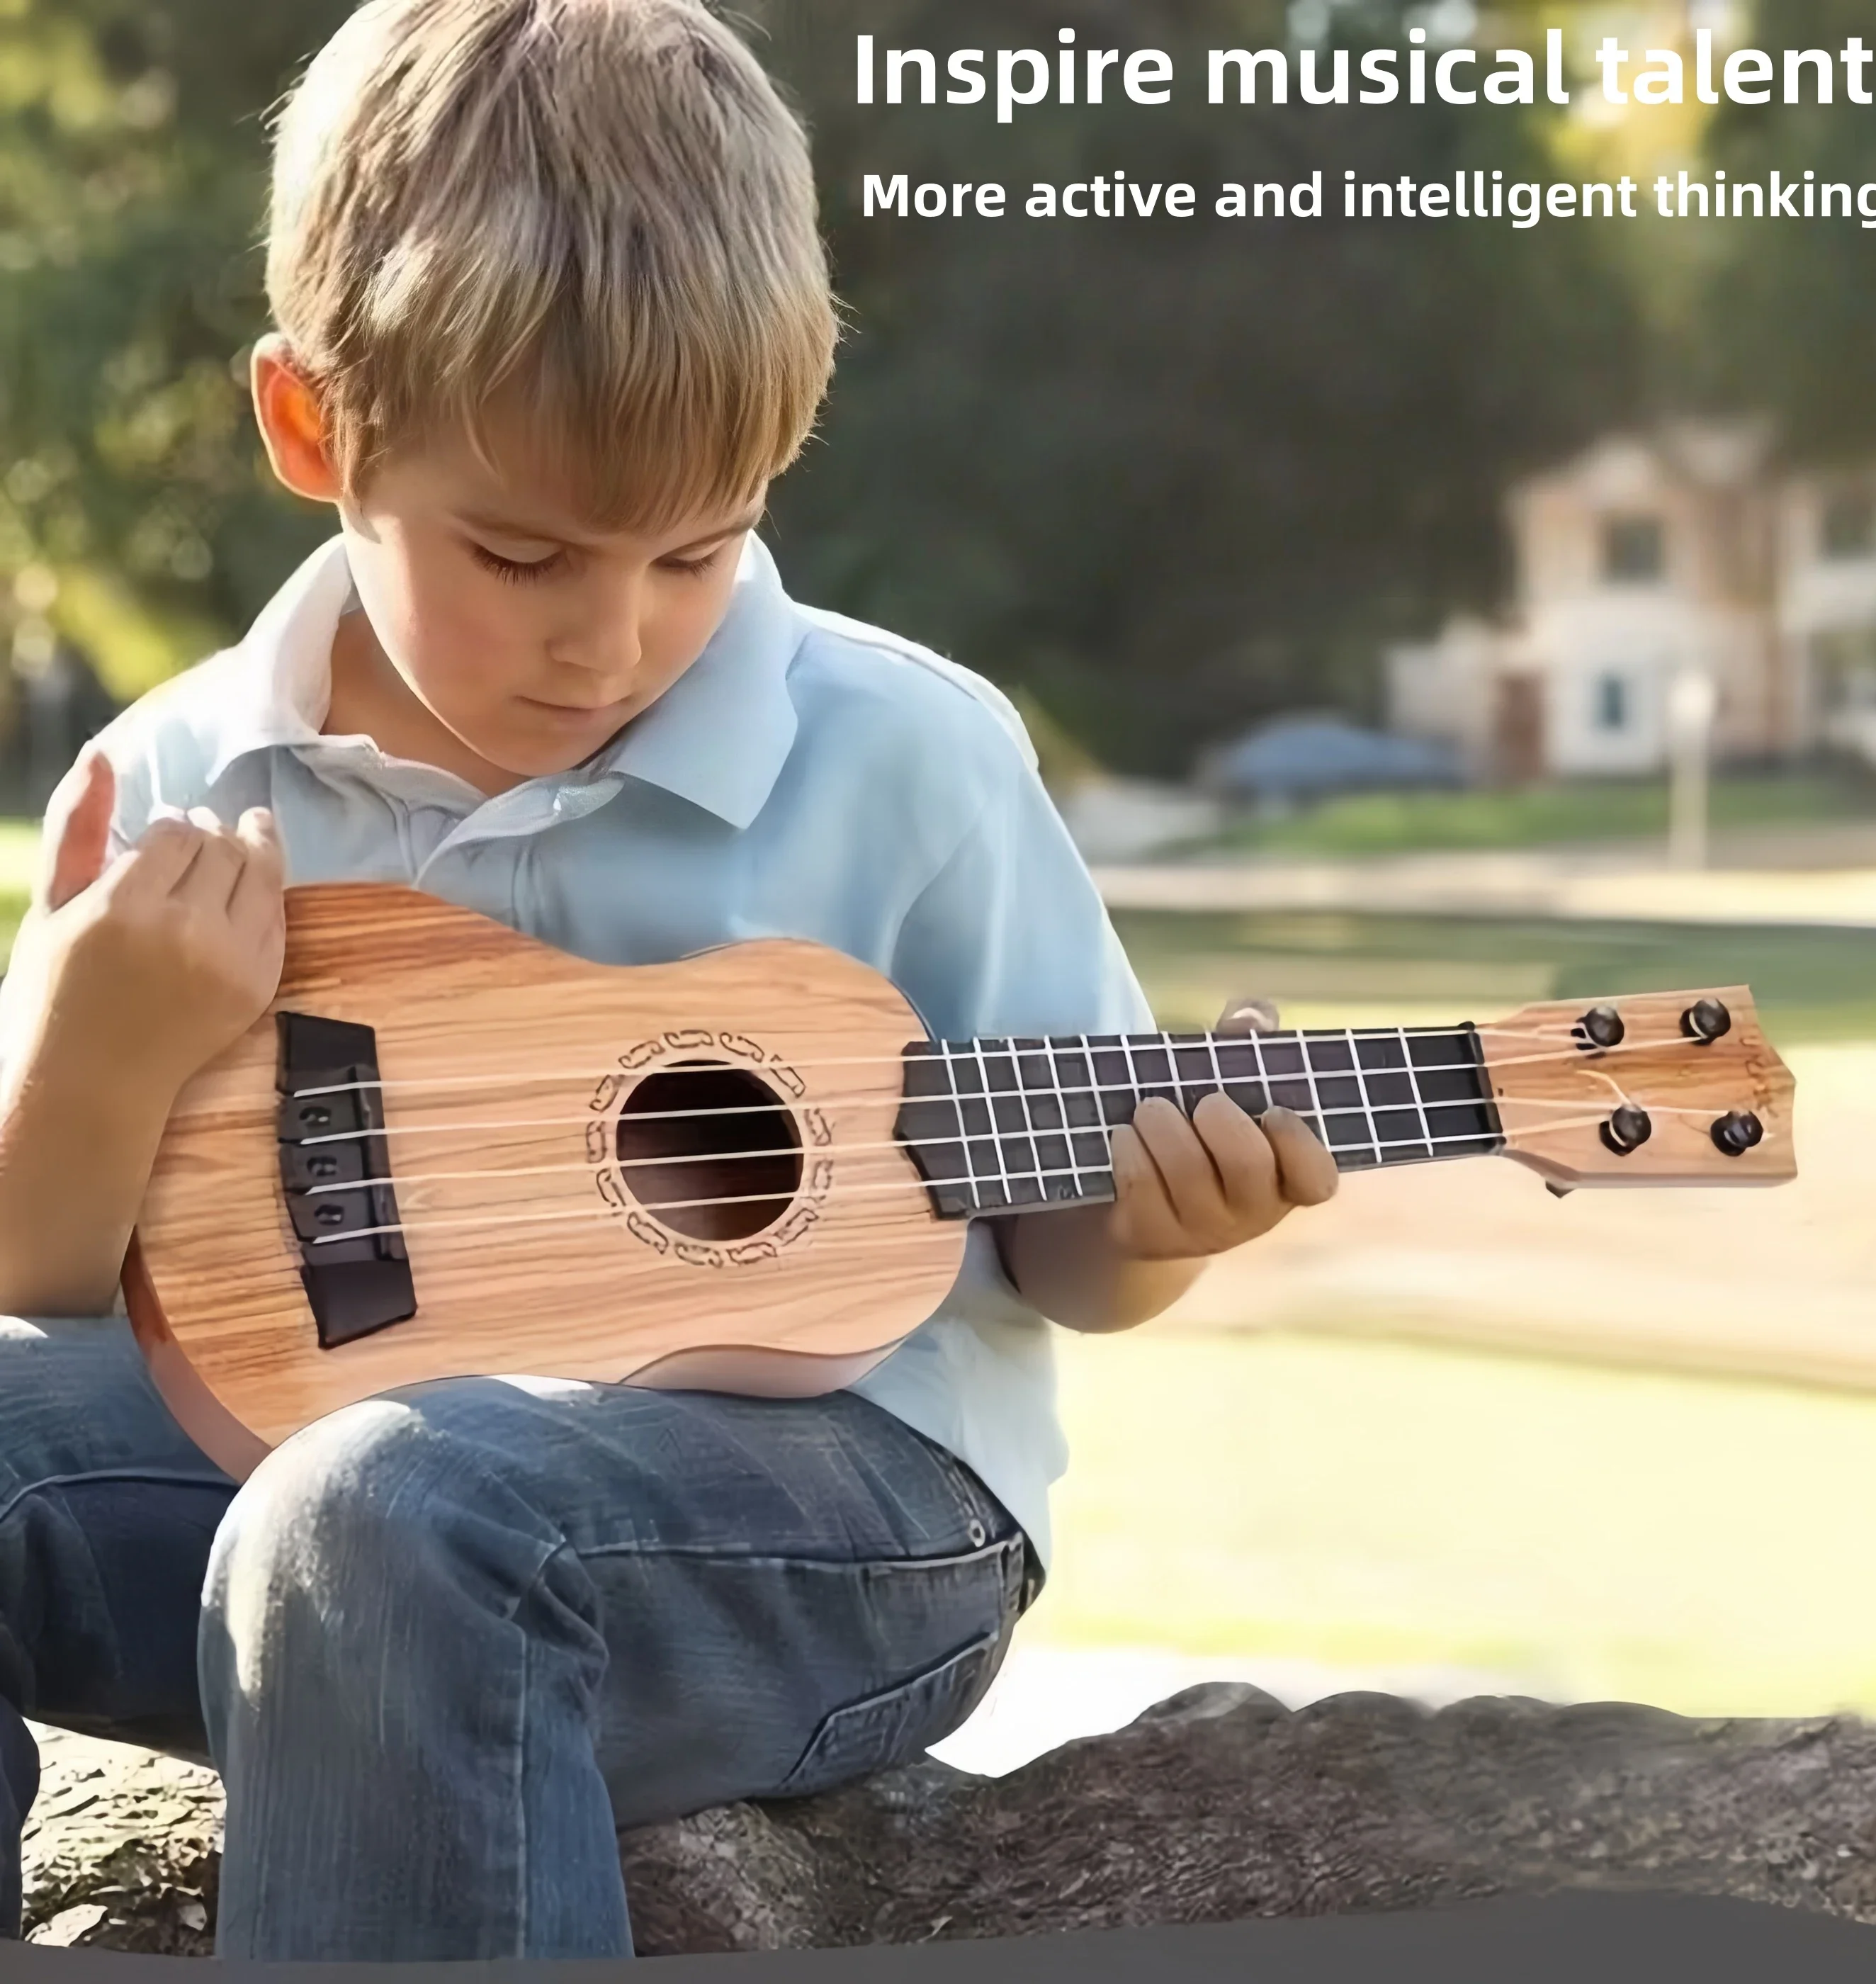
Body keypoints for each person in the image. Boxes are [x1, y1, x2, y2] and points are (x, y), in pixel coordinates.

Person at [0, 0, 1338, 1959]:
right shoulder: (183, 783)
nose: (608, 642)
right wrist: (104, 1049)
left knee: (394, 1509)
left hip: (846, 1514)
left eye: (697, 554)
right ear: (314, 430)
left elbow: (1067, 1248)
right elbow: (40, 1280)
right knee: (350, 1499)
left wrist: (1168, 1226)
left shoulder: (908, 756)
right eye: (522, 555)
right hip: (293, 1497)